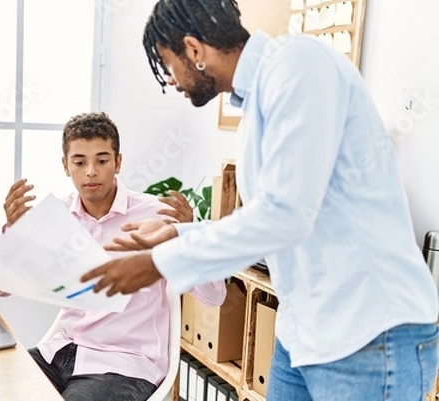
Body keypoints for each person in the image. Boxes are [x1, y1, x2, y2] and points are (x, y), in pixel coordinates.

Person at [80, 1, 439, 400]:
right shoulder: (256, 100)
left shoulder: (298, 66)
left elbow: (285, 215)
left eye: (169, 65)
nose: (173, 82)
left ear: (194, 50)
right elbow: (265, 218)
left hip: (370, 335)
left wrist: (156, 264)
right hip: (304, 331)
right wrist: (175, 233)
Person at [0, 111, 226, 401]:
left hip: (124, 363)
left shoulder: (157, 216)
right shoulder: (55, 217)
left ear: (118, 162)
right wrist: (12, 232)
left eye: (101, 160)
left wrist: (185, 237)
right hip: (61, 352)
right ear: (66, 165)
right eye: (79, 162)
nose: (91, 171)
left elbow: (215, 296)